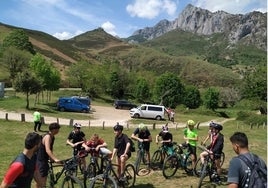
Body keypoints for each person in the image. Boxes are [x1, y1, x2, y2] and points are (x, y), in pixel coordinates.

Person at [35, 122, 61, 188]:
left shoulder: (52, 137)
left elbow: (50, 148)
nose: (58, 130)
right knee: (40, 179)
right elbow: (47, 150)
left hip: (45, 159)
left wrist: (51, 158)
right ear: (54, 129)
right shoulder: (47, 137)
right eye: (58, 129)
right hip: (41, 160)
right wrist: (55, 159)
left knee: (44, 178)